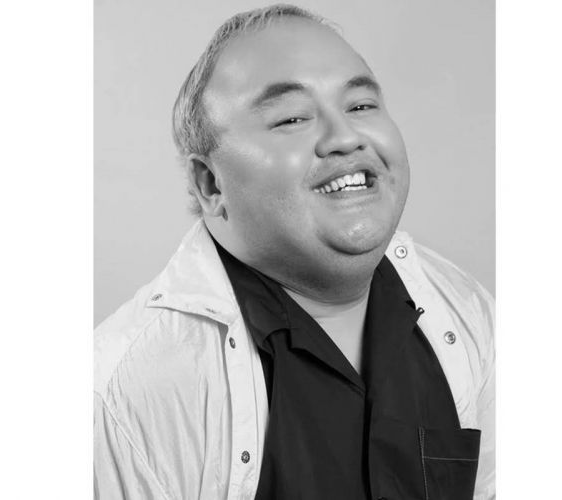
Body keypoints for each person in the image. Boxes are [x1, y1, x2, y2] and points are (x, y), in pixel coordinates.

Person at [94, 4, 495, 499]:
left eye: (360, 106)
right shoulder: (132, 390)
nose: (345, 137)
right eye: (291, 118)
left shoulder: (466, 312)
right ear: (211, 182)